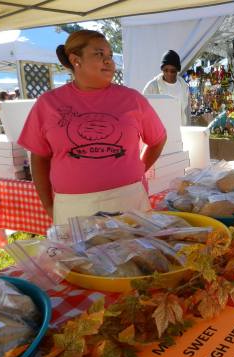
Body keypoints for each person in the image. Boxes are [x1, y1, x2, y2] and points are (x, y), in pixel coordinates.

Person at [18, 30, 167, 225]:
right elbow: (39, 158)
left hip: (130, 200)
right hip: (73, 207)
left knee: (136, 255)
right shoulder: (48, 104)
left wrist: (139, 169)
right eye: (99, 54)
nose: (109, 61)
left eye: (110, 56)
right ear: (75, 60)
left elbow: (158, 140)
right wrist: (48, 205)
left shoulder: (132, 99)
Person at [142, 50, 191, 126]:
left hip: (180, 132)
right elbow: (144, 112)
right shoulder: (152, 87)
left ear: (178, 70)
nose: (169, 73)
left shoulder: (184, 87)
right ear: (162, 69)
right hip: (159, 133)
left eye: (173, 71)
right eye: (166, 70)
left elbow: (187, 113)